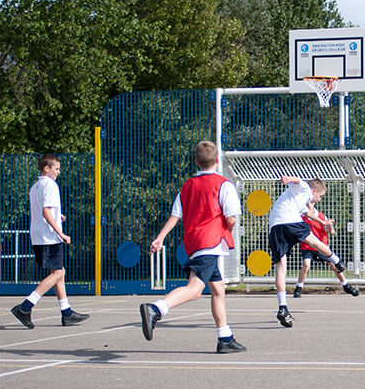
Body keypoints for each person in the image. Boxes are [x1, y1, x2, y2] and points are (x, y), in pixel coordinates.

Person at [139, 141, 246, 353]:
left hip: (195, 243)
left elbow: (175, 216)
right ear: (217, 160)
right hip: (210, 242)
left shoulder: (187, 186)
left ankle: (225, 337)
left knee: (218, 290)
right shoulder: (224, 185)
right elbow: (232, 218)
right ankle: (156, 309)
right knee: (195, 290)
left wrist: (160, 237)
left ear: (196, 161)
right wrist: (227, 228)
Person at [11, 154, 89, 329]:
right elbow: (46, 211)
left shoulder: (35, 186)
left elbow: (42, 211)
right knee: (58, 273)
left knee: (58, 271)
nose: (58, 172)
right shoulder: (51, 185)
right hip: (49, 236)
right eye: (56, 168)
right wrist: (61, 233)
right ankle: (25, 306)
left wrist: (57, 216)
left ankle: (66, 312)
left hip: (38, 235)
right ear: (47, 168)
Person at [268, 175, 346, 327]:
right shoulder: (304, 189)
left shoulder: (297, 200)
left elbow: (308, 214)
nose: (319, 200)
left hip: (275, 226)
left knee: (281, 267)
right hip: (290, 221)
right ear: (314, 191)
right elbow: (298, 180)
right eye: (320, 196)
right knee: (315, 242)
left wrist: (323, 222)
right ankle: (337, 261)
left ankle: (282, 307)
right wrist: (288, 179)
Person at [294, 202, 359, 298]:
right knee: (306, 265)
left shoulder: (321, 217)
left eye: (310, 204)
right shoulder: (301, 217)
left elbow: (331, 232)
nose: (308, 206)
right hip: (307, 246)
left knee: (333, 265)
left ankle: (345, 285)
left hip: (321, 246)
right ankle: (298, 288)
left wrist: (329, 227)